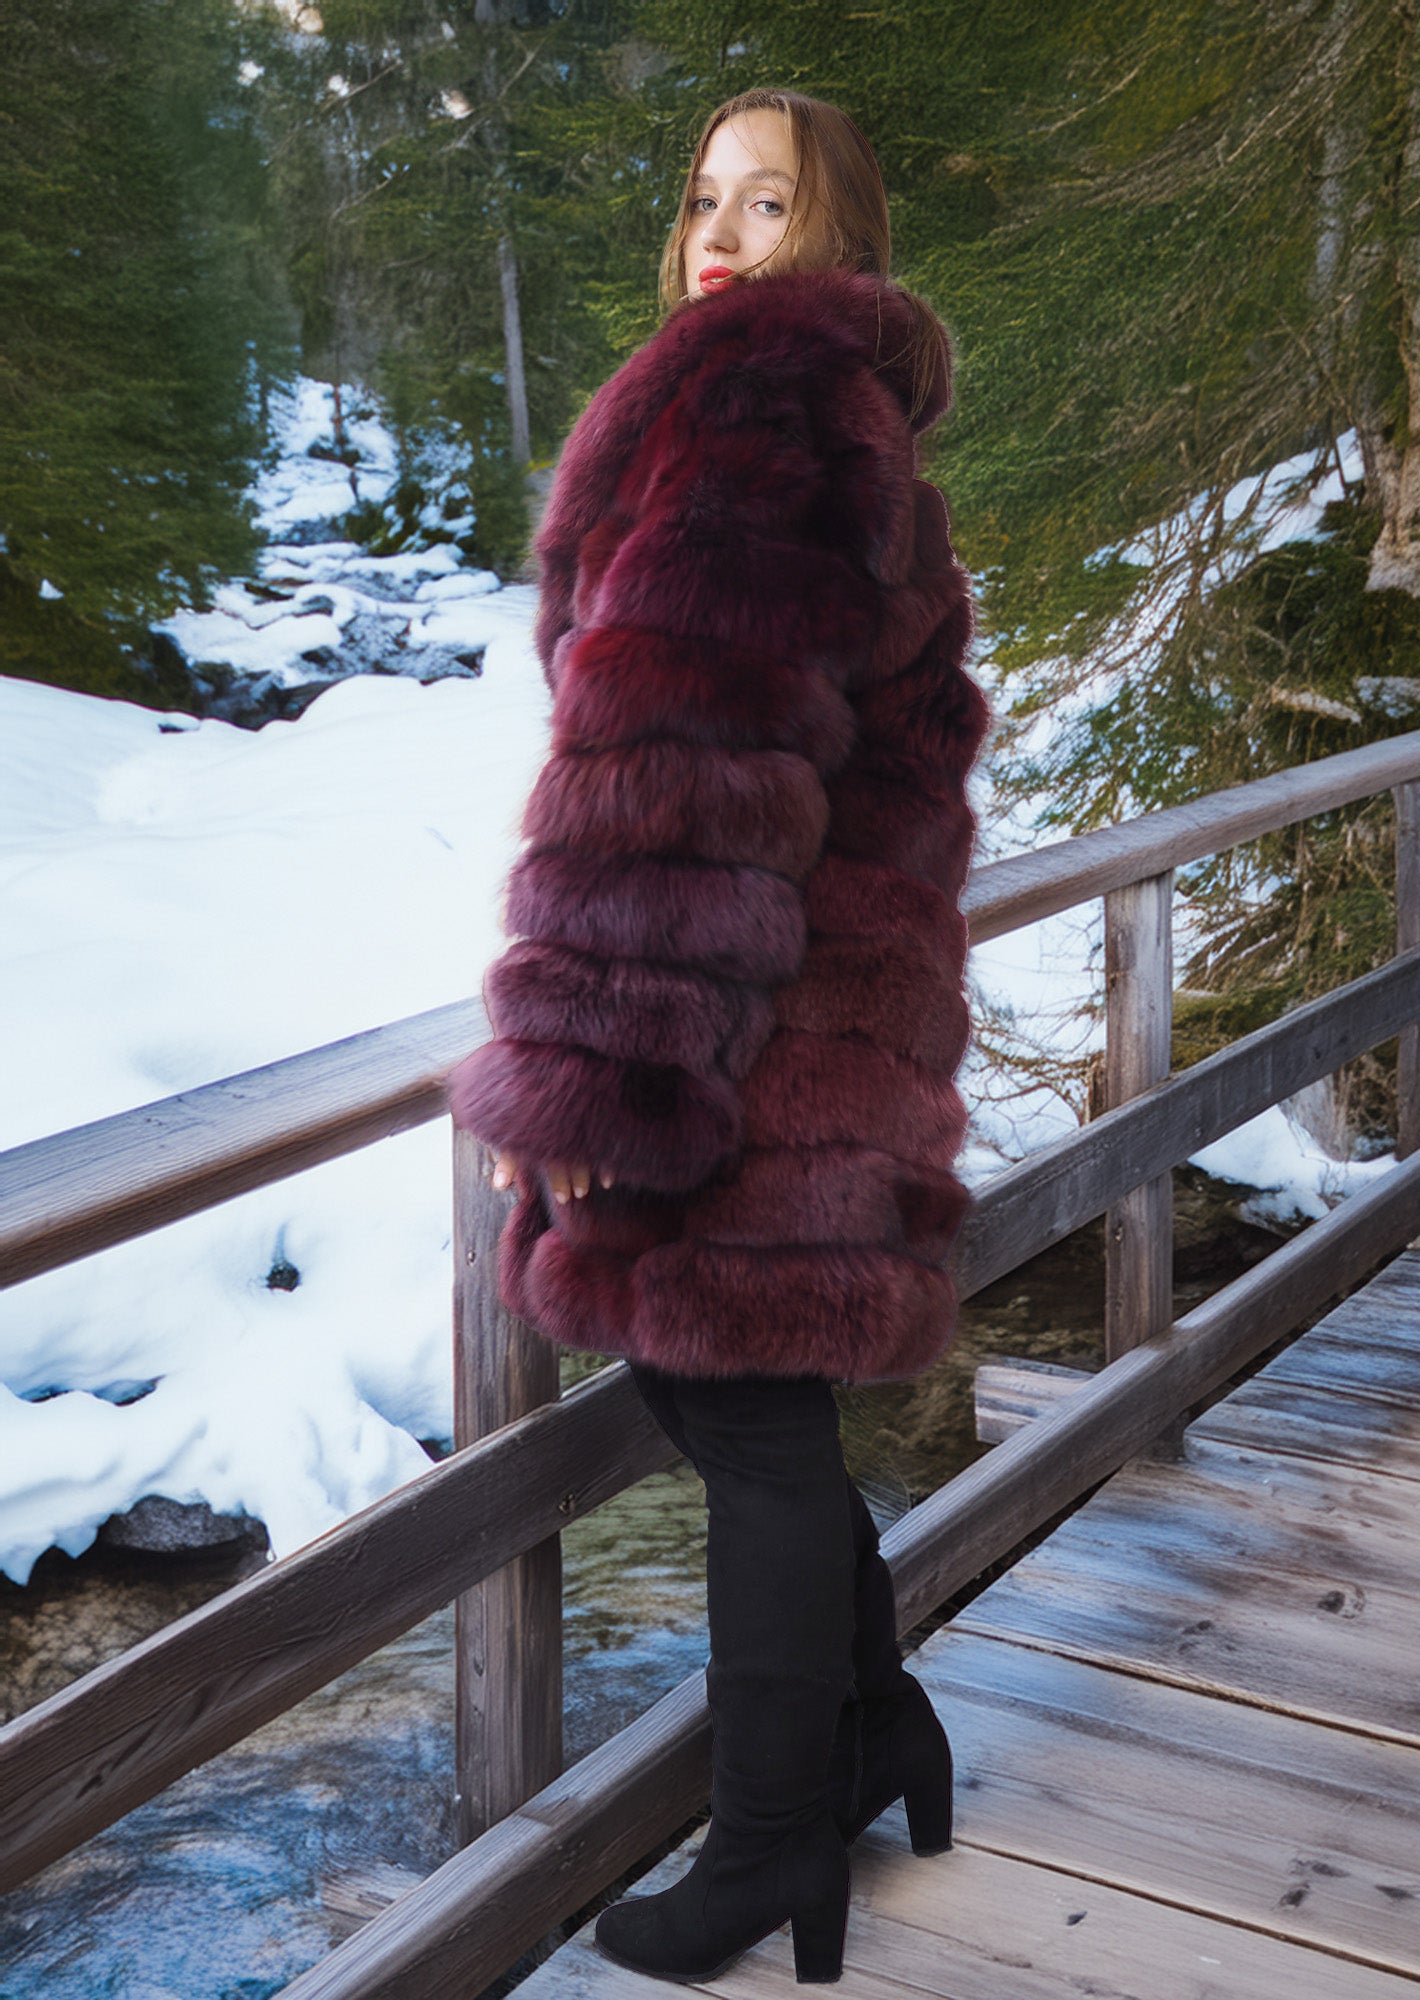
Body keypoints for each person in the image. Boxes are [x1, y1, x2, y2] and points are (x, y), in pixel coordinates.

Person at [447, 85, 990, 1987]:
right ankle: (875, 1734)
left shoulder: (758, 407)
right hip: (825, 996)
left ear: (837, 248)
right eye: (706, 198)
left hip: (746, 1012)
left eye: (773, 205)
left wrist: (594, 1055)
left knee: (747, 1430)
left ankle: (770, 1844)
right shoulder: (839, 423)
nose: (721, 235)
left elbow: (680, 756)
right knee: (743, 1412)